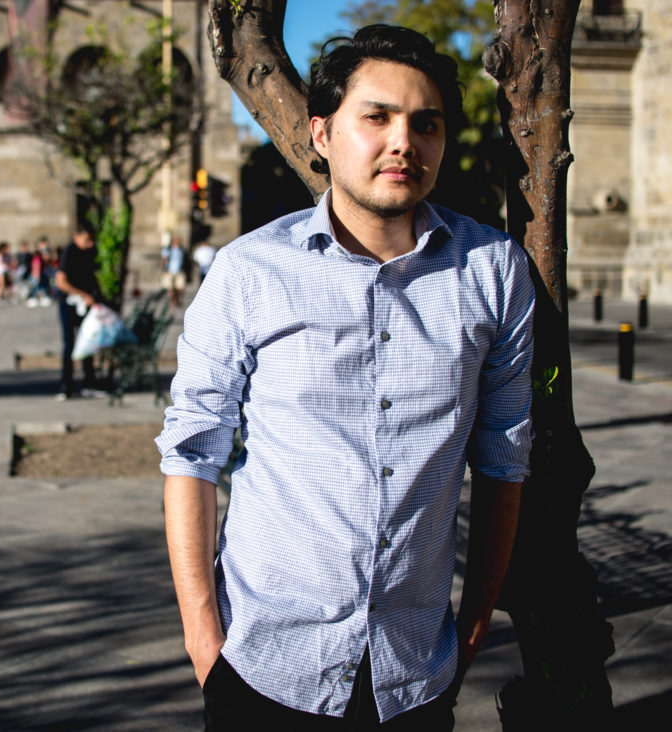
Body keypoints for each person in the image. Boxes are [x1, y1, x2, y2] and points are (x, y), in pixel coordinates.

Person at [156, 24, 534, 730]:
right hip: (265, 667)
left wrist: (474, 628)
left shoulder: (492, 273)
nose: (404, 142)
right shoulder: (249, 272)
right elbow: (191, 451)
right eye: (377, 117)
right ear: (323, 133)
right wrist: (204, 640)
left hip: (414, 674)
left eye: (426, 123)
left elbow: (503, 459)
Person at [54, 226, 104, 400]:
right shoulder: (70, 252)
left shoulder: (91, 252)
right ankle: (66, 385)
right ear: (77, 237)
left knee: (88, 342)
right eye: (87, 239)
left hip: (85, 304)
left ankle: (89, 382)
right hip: (69, 304)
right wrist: (83, 295)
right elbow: (61, 282)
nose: (90, 244)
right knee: (69, 343)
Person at [161, 235, 187, 306]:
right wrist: (164, 268)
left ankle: (177, 299)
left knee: (180, 287)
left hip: (179, 270)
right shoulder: (168, 250)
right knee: (170, 287)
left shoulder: (181, 250)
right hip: (170, 270)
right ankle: (172, 301)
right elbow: (164, 259)